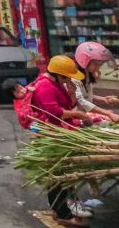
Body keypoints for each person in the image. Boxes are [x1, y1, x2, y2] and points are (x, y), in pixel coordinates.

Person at [30, 55, 95, 226]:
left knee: (62, 173)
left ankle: (61, 210)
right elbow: (55, 112)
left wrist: (72, 93)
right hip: (52, 134)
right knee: (58, 175)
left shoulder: (57, 84)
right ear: (59, 75)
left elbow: (67, 106)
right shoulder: (44, 86)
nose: (68, 80)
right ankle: (62, 214)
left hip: (62, 131)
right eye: (67, 76)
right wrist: (78, 114)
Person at [72, 42, 119, 125]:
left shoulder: (87, 74)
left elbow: (85, 94)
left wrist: (102, 99)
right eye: (96, 64)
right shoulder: (74, 78)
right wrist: (109, 113)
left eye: (100, 65)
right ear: (84, 60)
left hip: (82, 115)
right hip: (73, 116)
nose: (98, 68)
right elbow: (80, 100)